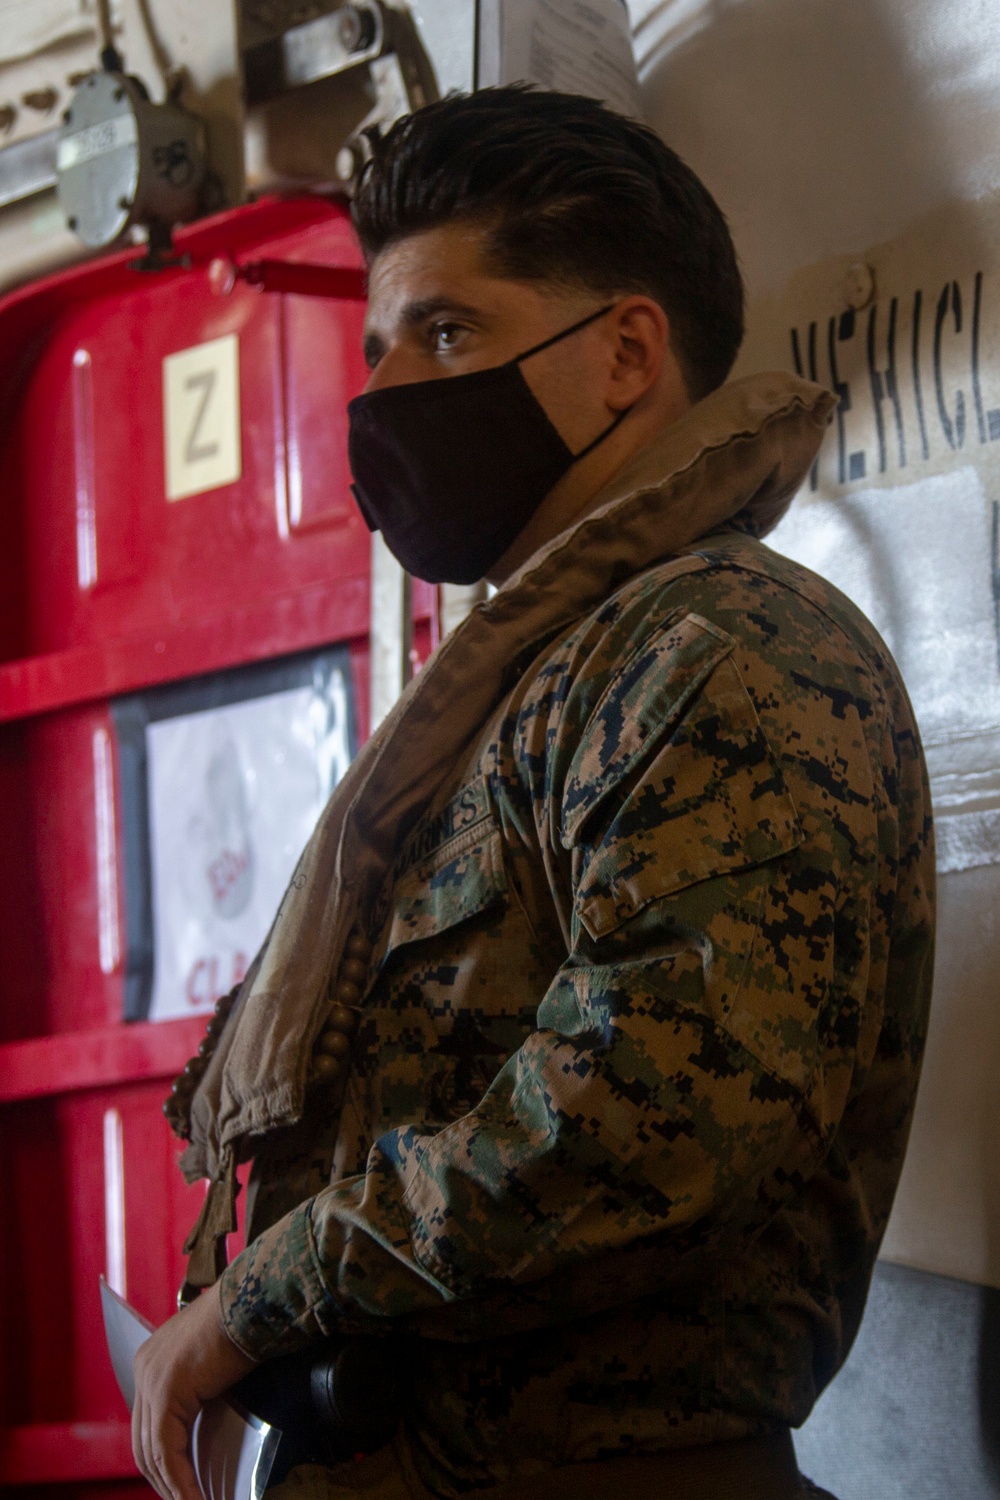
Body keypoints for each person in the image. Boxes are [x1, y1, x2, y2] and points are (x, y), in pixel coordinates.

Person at [133, 88, 935, 1500]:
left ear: (628, 353)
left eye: (449, 332)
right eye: (379, 346)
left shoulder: (719, 648)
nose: (388, 394)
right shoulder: (527, 686)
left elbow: (657, 1117)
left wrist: (267, 1296)